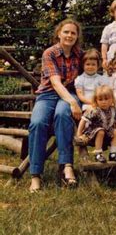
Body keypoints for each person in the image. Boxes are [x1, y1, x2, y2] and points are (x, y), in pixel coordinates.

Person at [28, 18, 83, 192]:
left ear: (77, 36)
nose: (69, 35)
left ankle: (66, 166)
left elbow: (89, 74)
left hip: (70, 94)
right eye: (66, 32)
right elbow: (56, 83)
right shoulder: (49, 53)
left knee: (62, 115)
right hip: (48, 95)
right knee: (37, 123)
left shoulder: (80, 55)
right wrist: (73, 103)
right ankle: (35, 175)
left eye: (73, 33)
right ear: (59, 34)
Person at [76, 85, 116, 163]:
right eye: (100, 99)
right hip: (93, 133)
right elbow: (83, 120)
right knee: (101, 131)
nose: (104, 102)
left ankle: (113, 153)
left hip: (107, 132)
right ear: (96, 100)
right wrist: (79, 134)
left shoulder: (115, 110)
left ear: (112, 99)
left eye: (106, 99)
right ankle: (98, 153)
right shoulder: (94, 111)